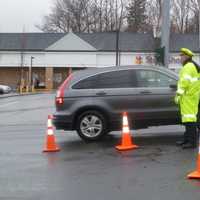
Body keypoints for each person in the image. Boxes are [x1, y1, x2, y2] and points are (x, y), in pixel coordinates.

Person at [175, 48, 200, 149]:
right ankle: (187, 139)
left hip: (188, 97)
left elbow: (184, 83)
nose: (180, 58)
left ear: (186, 56)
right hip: (191, 96)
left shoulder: (188, 67)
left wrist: (178, 95)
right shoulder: (192, 65)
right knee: (188, 120)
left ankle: (192, 142)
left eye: (181, 56)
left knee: (190, 121)